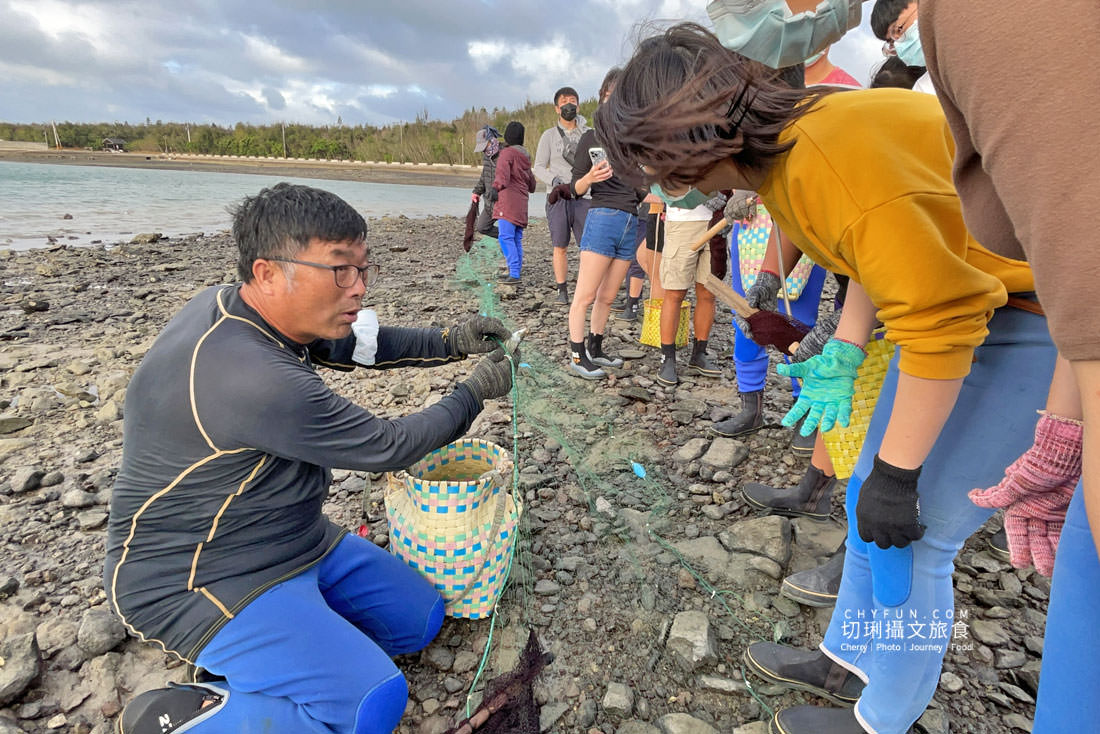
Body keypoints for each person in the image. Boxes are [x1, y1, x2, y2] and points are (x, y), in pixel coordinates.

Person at [599, 24, 1054, 734]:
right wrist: (845, 344)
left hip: (1029, 319)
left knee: (915, 529)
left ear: (682, 141)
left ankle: (883, 716)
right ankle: (846, 659)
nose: (654, 181)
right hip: (958, 306)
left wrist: (900, 476)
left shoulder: (822, 155)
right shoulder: (784, 151)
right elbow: (874, 244)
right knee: (862, 509)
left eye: (649, 160)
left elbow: (940, 316)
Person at [105, 183, 517, 734]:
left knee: (417, 620)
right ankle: (193, 712)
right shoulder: (251, 377)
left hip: (294, 539)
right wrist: (473, 392)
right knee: (373, 702)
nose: (359, 289)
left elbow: (355, 345)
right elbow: (387, 447)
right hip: (196, 576)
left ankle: (284, 650)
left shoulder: (251, 309)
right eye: (340, 270)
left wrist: (450, 340)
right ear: (269, 272)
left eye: (364, 269)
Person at [565, 68, 647, 380]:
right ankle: (577, 354)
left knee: (608, 296)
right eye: (611, 95)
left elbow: (640, 188)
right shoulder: (591, 136)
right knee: (585, 295)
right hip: (601, 218)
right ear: (602, 97)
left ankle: (595, 348)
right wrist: (590, 177)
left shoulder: (632, 140)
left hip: (629, 221)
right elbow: (575, 188)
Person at [646, 190, 724, 386]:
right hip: (682, 222)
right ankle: (668, 358)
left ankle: (699, 353)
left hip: (717, 221)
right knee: (674, 292)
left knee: (708, 292)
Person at [533, 86, 592, 303]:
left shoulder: (589, 133)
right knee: (560, 245)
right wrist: (553, 181)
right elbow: (538, 167)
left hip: (584, 197)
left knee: (588, 246)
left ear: (578, 104)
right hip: (558, 197)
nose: (569, 104)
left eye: (573, 100)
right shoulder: (548, 136)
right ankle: (562, 290)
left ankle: (586, 289)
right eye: (564, 101)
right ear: (557, 108)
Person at [491, 121, 536, 284]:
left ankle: (514, 273)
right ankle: (514, 271)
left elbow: (502, 175)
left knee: (505, 237)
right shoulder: (526, 156)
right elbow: (532, 185)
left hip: (508, 202)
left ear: (508, 137)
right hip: (522, 203)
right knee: (515, 238)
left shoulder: (507, 153)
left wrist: (495, 188)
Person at [470, 125, 502, 239]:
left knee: (507, 234)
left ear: (492, 139)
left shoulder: (505, 153)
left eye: (485, 146)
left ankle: (509, 238)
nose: (484, 150)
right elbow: (485, 176)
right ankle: (507, 236)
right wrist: (477, 192)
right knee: (482, 226)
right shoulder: (486, 157)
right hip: (489, 202)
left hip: (504, 203)